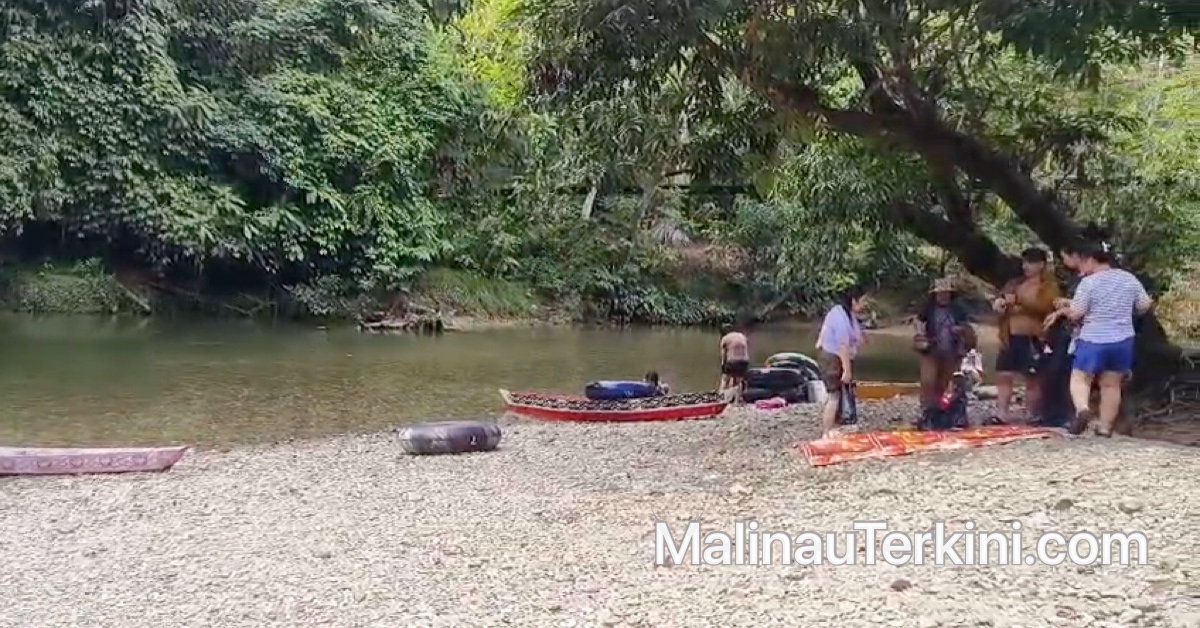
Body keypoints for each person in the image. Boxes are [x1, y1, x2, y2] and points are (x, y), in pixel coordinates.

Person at [1044, 236, 1153, 436]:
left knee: (1080, 378)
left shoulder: (1089, 283)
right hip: (1122, 340)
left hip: (1093, 339)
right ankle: (1104, 427)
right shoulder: (1128, 278)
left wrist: (1064, 310)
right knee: (1112, 384)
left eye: (1082, 262)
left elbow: (1077, 313)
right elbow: (1144, 305)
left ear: (1091, 259)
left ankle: (1083, 410)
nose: (1080, 267)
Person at [989, 248, 1060, 424]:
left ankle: (1031, 414)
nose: (1025, 266)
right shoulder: (1015, 283)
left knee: (1032, 377)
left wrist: (1020, 302)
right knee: (1004, 374)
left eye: (1030, 263)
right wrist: (999, 303)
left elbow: (1046, 306)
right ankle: (1002, 413)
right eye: (1024, 262)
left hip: (1033, 336)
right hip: (1010, 334)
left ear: (1041, 265)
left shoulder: (1048, 285)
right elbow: (1002, 298)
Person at [815, 285, 869, 439]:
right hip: (833, 358)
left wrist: (820, 343)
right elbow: (842, 346)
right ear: (853, 301)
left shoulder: (844, 313)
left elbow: (824, 331)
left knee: (838, 395)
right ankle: (827, 431)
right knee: (834, 396)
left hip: (833, 355)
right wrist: (847, 370)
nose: (864, 304)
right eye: (863, 301)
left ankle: (835, 426)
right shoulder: (840, 317)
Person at [915, 278, 974, 412]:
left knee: (946, 381)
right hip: (931, 348)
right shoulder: (928, 308)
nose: (943, 296)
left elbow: (966, 327)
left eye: (946, 293)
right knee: (927, 380)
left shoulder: (958, 308)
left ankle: (942, 409)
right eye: (940, 293)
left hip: (952, 349)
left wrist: (959, 330)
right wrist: (921, 334)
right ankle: (926, 409)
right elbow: (919, 322)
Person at [718, 322, 750, 401]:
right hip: (744, 361)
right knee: (738, 381)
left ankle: (720, 398)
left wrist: (723, 366)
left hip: (732, 361)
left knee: (725, 379)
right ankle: (737, 400)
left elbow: (723, 355)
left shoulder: (725, 338)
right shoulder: (742, 336)